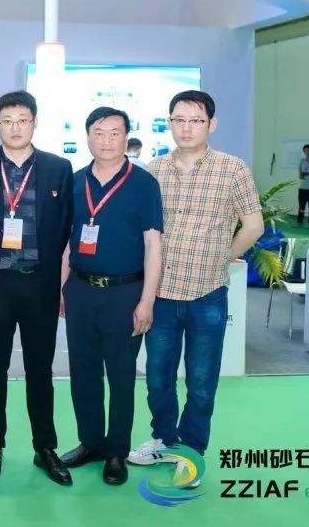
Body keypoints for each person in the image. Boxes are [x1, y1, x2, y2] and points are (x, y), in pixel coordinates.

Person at [128, 90, 263, 479]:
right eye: (179, 120)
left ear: (211, 124)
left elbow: (253, 225)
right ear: (169, 123)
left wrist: (222, 255)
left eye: (196, 121)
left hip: (208, 295)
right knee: (158, 378)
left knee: (202, 381)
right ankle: (163, 439)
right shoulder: (154, 170)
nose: (186, 128)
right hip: (161, 295)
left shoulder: (232, 169)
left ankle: (192, 450)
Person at [0, 90, 74, 486]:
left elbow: (66, 229)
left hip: (39, 284)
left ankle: (45, 447)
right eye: (7, 121)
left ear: (34, 123)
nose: (15, 127)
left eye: (22, 120)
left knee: (40, 370)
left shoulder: (59, 168)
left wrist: (62, 284)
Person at [58, 107, 162, 486]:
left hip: (125, 293)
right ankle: (90, 443)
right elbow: (66, 240)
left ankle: (116, 450)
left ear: (126, 137)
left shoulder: (143, 183)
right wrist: (61, 288)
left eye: (115, 133)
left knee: (120, 375)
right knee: (83, 371)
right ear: (87, 136)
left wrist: (147, 300)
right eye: (99, 133)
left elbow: (153, 244)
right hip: (81, 290)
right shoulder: (74, 182)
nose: (107, 140)